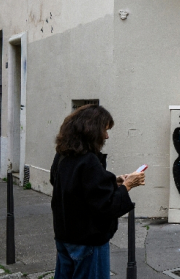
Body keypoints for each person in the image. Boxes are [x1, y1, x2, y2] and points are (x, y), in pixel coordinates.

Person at [50, 105, 145, 279]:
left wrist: (112, 180)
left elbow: (73, 186)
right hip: (88, 241)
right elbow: (107, 206)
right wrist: (127, 186)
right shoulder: (89, 161)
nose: (107, 136)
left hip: (65, 237)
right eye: (104, 130)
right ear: (91, 131)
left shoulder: (63, 155)